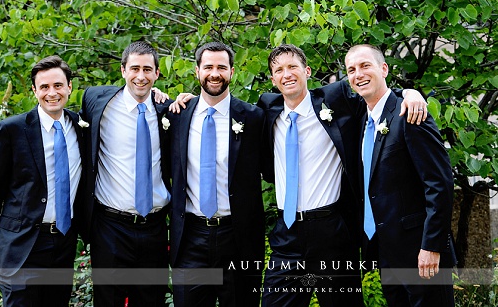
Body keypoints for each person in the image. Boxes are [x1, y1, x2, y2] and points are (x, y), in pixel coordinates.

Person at [257, 44, 428, 307]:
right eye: (278, 70)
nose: (286, 74)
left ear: (307, 71)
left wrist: (409, 93)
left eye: (293, 67)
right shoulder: (266, 110)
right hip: (287, 234)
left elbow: (375, 95)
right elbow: (227, 108)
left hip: (331, 231)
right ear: (273, 79)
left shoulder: (335, 101)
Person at [0, 55, 88, 306]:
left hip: (63, 243)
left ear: (69, 87)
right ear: (34, 90)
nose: (52, 93)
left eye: (58, 85)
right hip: (22, 245)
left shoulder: (81, 127)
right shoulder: (13, 129)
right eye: (44, 87)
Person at [344, 45, 455, 306]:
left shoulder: (410, 112)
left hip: (421, 252)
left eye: (365, 65)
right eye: (351, 70)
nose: (358, 74)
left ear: (384, 69)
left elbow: (439, 183)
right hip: (387, 253)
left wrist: (432, 246)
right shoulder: (362, 119)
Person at [168, 42, 265, 306]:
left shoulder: (254, 118)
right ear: (197, 71)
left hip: (238, 237)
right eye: (208, 67)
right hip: (191, 237)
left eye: (221, 67)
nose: (215, 73)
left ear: (232, 72)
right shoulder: (178, 115)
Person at [80, 40, 172, 307]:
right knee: (108, 301)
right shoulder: (97, 101)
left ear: (157, 73)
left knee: (151, 300)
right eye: (134, 69)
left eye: (147, 69)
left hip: (154, 227)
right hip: (110, 226)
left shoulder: (168, 110)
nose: (140, 76)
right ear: (123, 71)